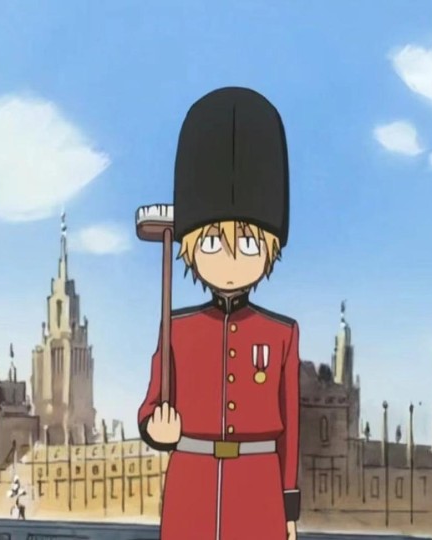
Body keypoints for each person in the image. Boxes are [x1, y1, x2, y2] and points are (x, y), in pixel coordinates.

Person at [138, 87, 300, 540]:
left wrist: (289, 506)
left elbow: (289, 431)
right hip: (192, 479)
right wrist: (155, 429)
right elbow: (152, 403)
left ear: (269, 249)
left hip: (258, 486)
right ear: (191, 248)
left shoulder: (281, 334)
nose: (229, 259)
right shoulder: (178, 328)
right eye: (211, 243)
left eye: (247, 243)